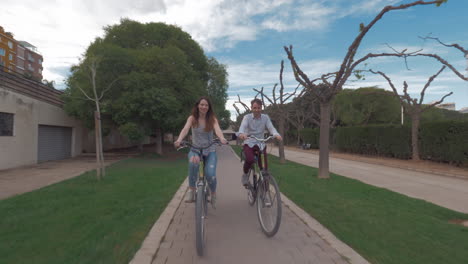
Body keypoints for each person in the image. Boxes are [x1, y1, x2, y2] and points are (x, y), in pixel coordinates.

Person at [174, 96, 228, 207]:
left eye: (206, 105)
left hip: (210, 150)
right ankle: (192, 190)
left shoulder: (212, 118)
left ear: (209, 107)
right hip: (195, 149)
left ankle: (213, 194)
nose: (204, 107)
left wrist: (222, 138)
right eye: (202, 104)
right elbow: (185, 129)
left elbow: (217, 129)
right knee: (193, 162)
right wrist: (179, 139)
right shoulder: (192, 118)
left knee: (210, 174)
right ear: (198, 106)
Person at [237, 98, 282, 186]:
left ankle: (264, 187)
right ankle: (245, 175)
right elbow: (242, 127)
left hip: (261, 144)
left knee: (264, 168)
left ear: (261, 108)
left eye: (259, 108)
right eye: (255, 108)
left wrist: (276, 134)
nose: (257, 110)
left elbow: (271, 128)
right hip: (249, 143)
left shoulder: (265, 117)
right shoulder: (247, 117)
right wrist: (242, 134)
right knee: (249, 160)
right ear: (251, 108)